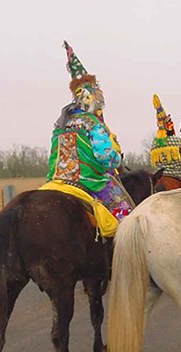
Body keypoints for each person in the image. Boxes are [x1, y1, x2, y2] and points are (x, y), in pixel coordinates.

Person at [47, 41, 132, 221]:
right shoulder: (91, 122)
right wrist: (117, 159)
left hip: (55, 182)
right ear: (90, 96)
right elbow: (105, 157)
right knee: (126, 212)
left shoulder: (60, 123)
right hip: (89, 181)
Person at [150, 94, 181, 186]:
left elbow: (153, 163)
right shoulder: (177, 141)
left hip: (159, 178)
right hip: (179, 177)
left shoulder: (154, 143)